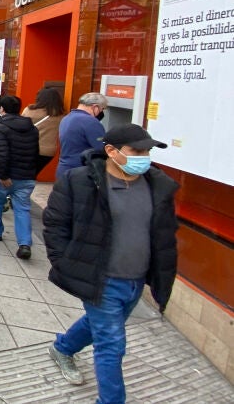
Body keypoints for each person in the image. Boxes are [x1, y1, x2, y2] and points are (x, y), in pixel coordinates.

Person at [44, 124, 178, 404]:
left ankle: (63, 347)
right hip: (100, 278)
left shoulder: (157, 185)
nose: (144, 157)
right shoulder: (79, 181)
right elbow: (55, 224)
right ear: (111, 151)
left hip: (136, 280)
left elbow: (164, 234)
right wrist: (65, 262)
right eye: (136, 151)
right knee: (111, 345)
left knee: (99, 325)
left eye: (147, 151)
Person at [0, 95, 41, 259]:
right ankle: (24, 243)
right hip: (26, 176)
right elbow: (35, 153)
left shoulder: (0, 127)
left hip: (6, 176)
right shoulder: (32, 129)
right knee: (22, 208)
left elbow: (1, 154)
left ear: (2, 109)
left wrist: (3, 175)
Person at [57, 92, 109, 179]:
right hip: (81, 172)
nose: (101, 112)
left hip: (63, 169)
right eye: (102, 109)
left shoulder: (66, 118)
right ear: (95, 107)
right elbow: (103, 148)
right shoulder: (91, 122)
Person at [21, 88, 66, 175]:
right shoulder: (60, 115)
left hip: (28, 148)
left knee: (25, 175)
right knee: (33, 173)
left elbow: (21, 127)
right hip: (48, 151)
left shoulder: (29, 110)